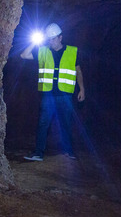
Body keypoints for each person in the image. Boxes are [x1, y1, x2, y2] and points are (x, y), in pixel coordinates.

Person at [20, 22, 85, 161]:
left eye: (53, 38)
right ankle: (38, 153)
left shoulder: (72, 52)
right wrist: (34, 42)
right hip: (48, 95)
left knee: (66, 123)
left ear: (60, 37)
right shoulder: (42, 51)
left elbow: (78, 71)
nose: (51, 41)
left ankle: (68, 151)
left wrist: (82, 89)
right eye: (49, 39)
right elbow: (24, 55)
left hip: (65, 94)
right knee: (43, 123)